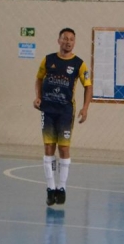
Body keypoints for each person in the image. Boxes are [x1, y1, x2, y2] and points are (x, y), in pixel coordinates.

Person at [33, 27, 92, 207]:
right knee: (49, 146)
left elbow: (88, 86)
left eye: (71, 39)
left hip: (66, 112)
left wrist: (85, 107)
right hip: (48, 110)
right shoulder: (48, 60)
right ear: (58, 40)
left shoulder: (79, 64)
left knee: (64, 149)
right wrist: (38, 97)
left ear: (74, 42)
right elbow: (39, 78)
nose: (68, 42)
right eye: (65, 38)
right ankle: (50, 188)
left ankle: (62, 187)